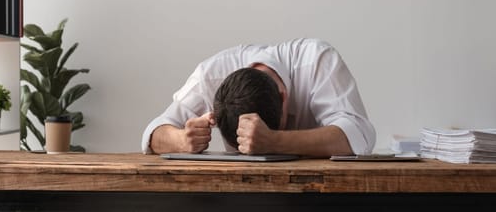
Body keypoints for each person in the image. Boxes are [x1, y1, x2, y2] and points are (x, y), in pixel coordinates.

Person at [141, 38, 376, 157]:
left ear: (284, 97)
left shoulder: (316, 61)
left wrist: (274, 141)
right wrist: (182, 140)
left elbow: (359, 134)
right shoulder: (210, 76)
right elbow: (153, 133)